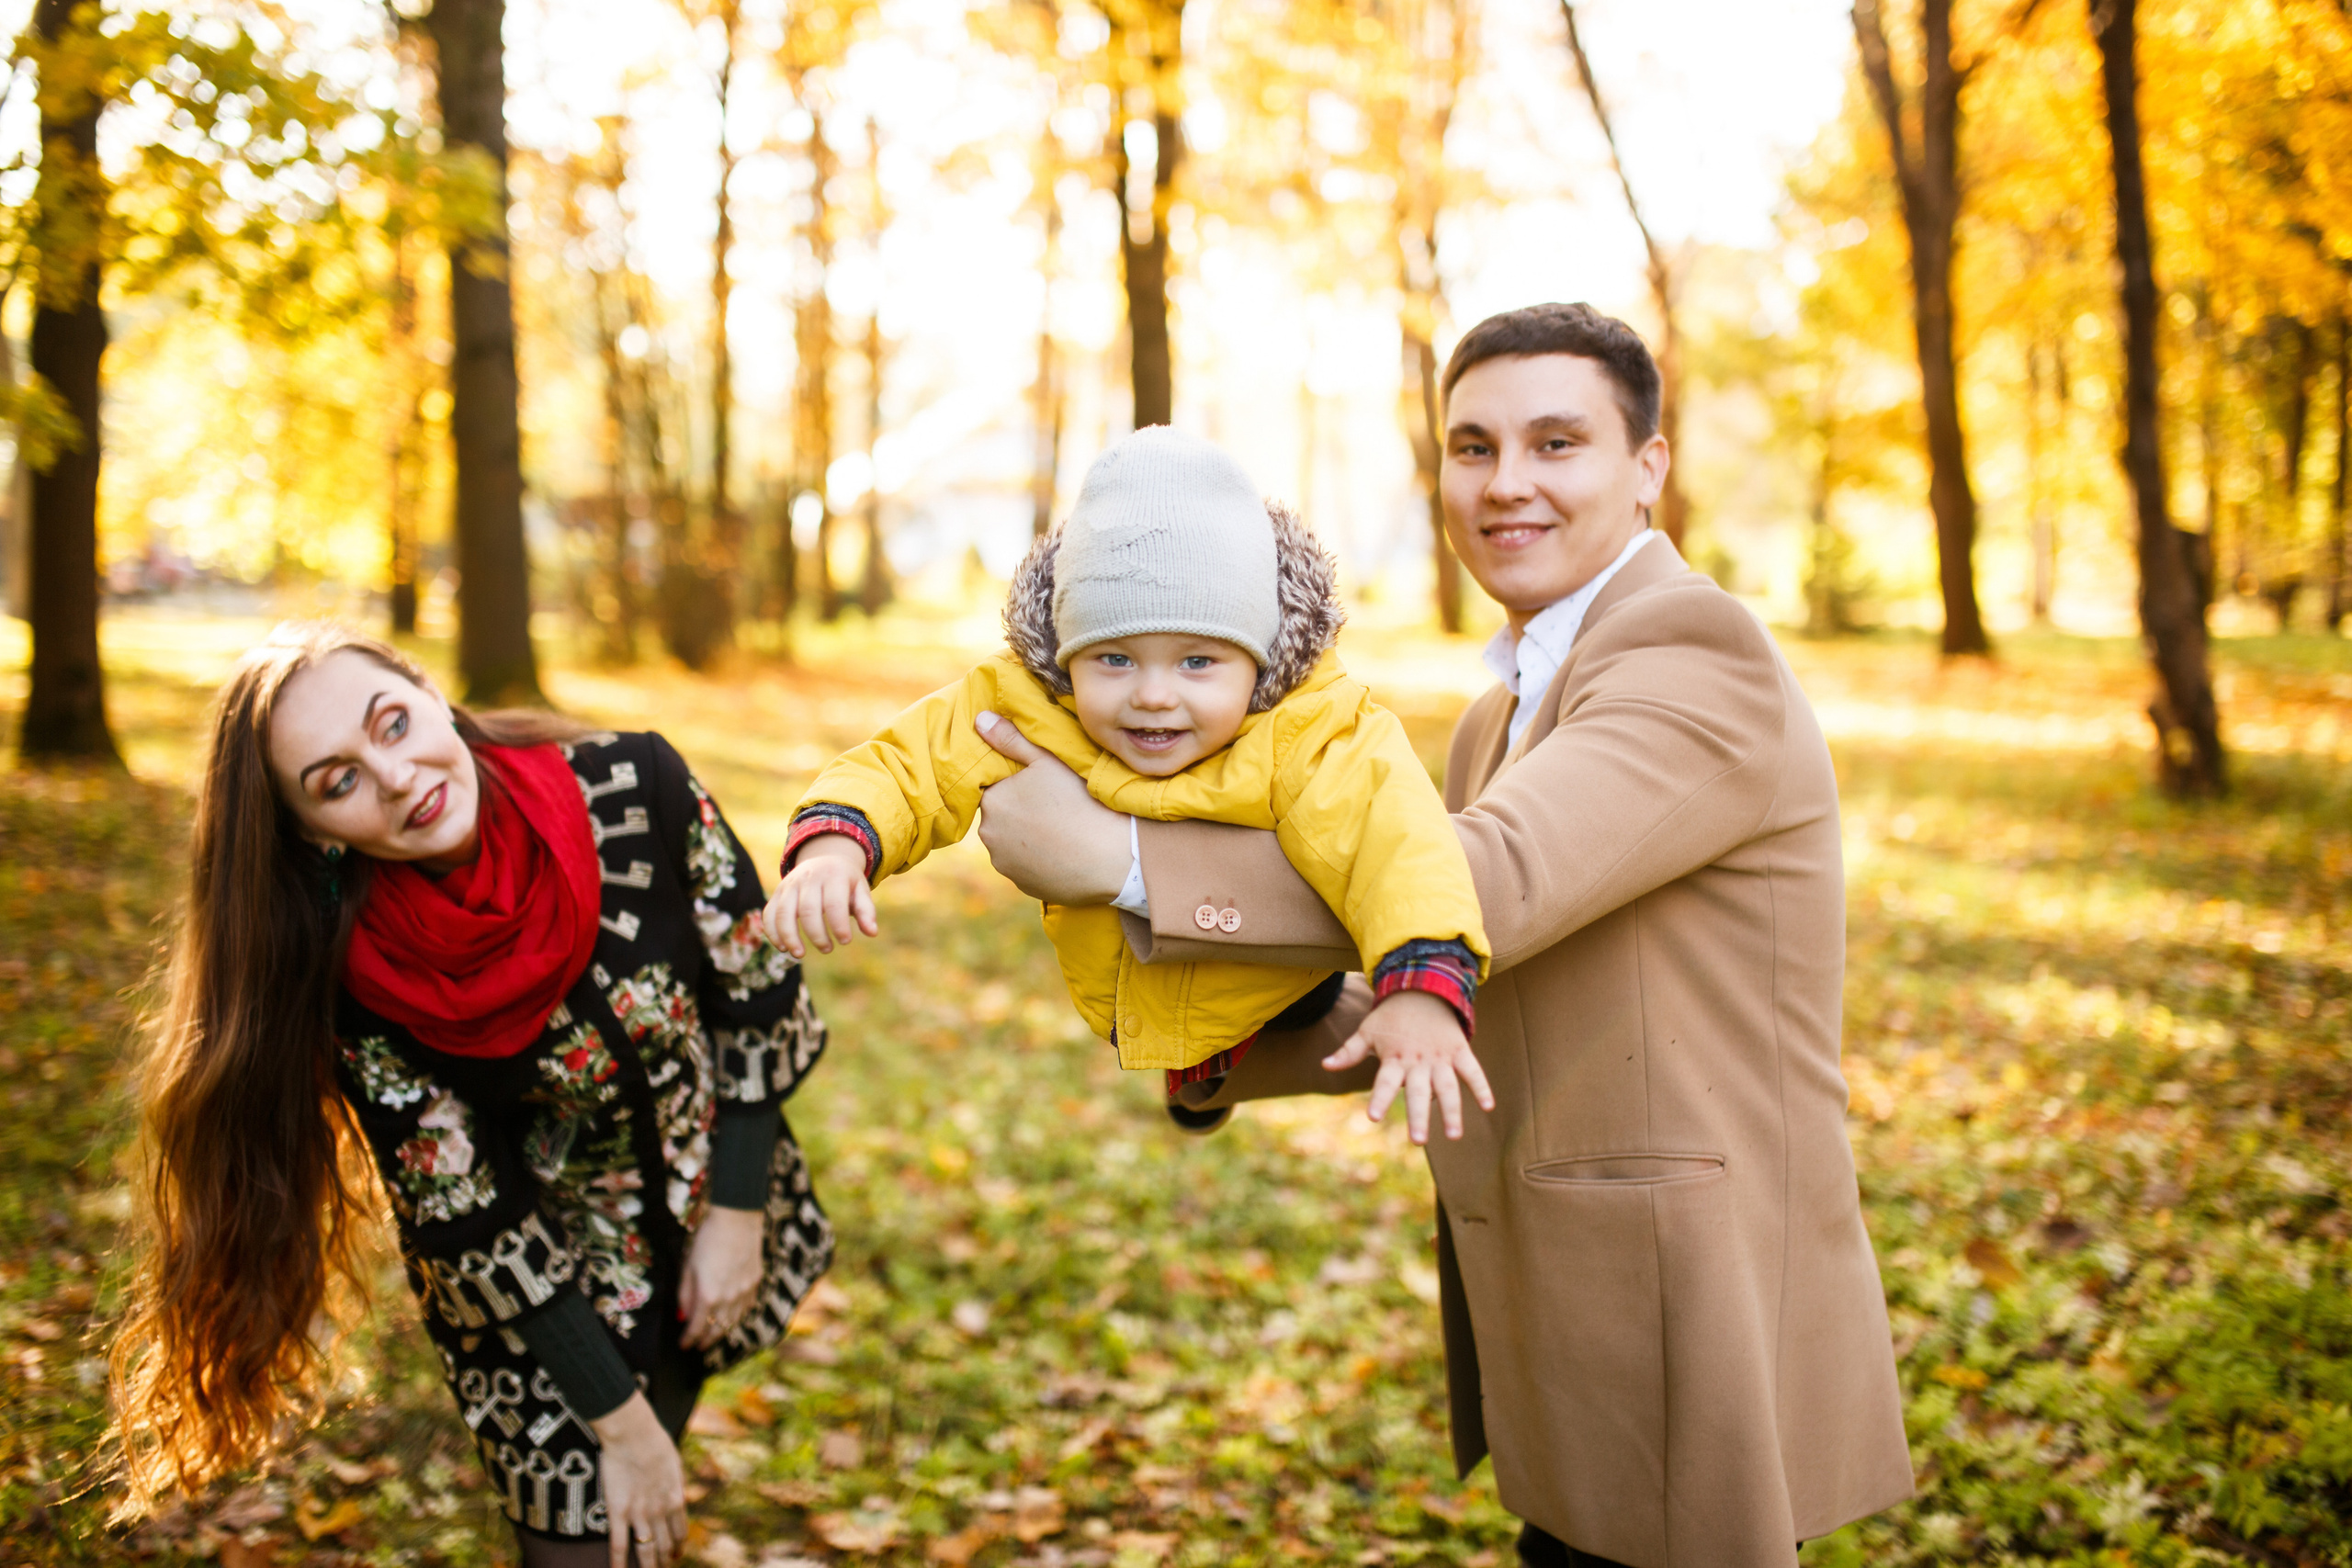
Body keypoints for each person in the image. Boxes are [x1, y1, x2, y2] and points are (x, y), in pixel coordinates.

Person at [968, 305, 1914, 1568]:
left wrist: (1126, 859)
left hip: (1686, 1289)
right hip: (1569, 1282)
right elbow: (1445, 972)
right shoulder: (1498, 711)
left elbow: (1483, 883)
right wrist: (1225, 1045)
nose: (1505, 482)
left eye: (1556, 442)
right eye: (1473, 447)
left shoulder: (1695, 650)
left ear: (1648, 465)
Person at [111, 625, 834, 1568]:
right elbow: (464, 1211)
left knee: (656, 1465)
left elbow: (755, 985)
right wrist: (620, 1427)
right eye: (338, 781)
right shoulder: (347, 969)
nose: (399, 777)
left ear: (429, 689)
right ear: (310, 830)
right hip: (531, 1302)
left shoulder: (636, 786)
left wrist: (737, 1213)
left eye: (394, 724)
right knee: (583, 1545)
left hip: (706, 1210)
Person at [763, 426, 1493, 1141]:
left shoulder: (1313, 726)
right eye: (1113, 658)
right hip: (1120, 983)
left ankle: (1216, 1065)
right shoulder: (1027, 700)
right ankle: (1202, 1071)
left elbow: (1400, 840)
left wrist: (1424, 983)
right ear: (1065, 649)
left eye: (1197, 662)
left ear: (1261, 656)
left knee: (1305, 964)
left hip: (1270, 984)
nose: (1152, 694)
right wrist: (836, 844)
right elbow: (910, 762)